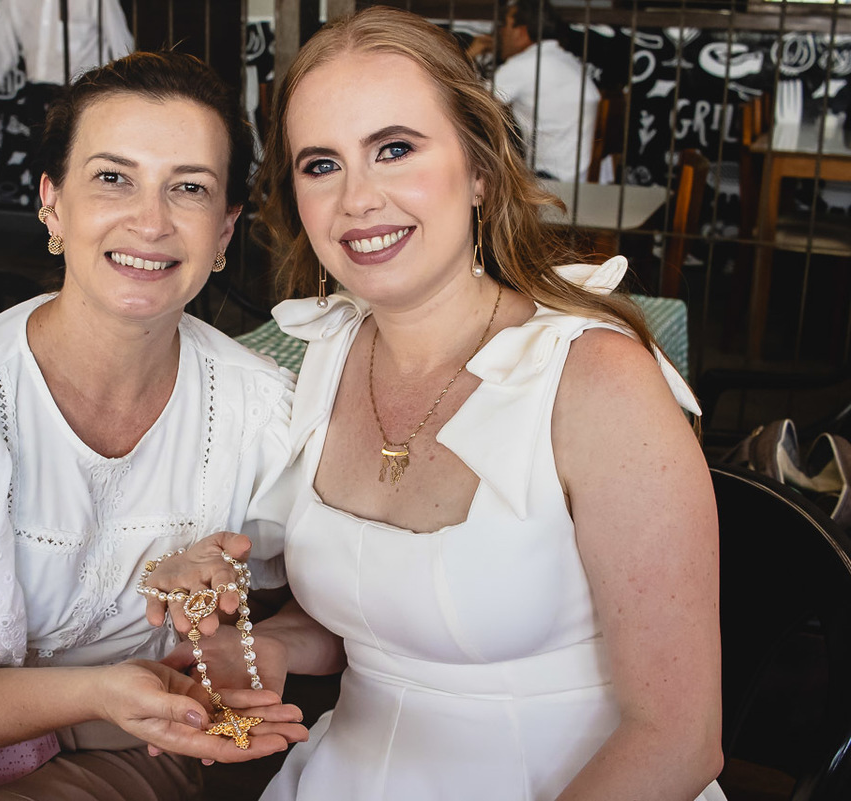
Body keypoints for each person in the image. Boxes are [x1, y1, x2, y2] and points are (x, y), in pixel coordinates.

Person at [208, 7, 725, 799]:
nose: (357, 199)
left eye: (395, 149)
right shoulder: (321, 356)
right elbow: (387, 604)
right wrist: (273, 642)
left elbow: (679, 740)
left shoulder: (597, 381)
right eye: (321, 164)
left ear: (480, 168)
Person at [0, 51, 309, 801]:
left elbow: (343, 610)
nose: (151, 219)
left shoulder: (264, 411)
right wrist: (104, 686)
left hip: (144, 723)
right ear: (52, 203)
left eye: (190, 187)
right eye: (112, 177)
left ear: (227, 227)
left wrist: (229, 616)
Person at [468, 0, 599, 182]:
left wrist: (470, 55)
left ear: (521, 32)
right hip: (575, 179)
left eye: (504, 25)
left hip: (546, 180)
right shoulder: (567, 61)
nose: (500, 32)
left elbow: (470, 106)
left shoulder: (525, 65)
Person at [0, 0, 134, 130]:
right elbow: (1, 44)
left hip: (83, 94)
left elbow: (120, 45)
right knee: (43, 161)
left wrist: (126, 98)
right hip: (38, 95)